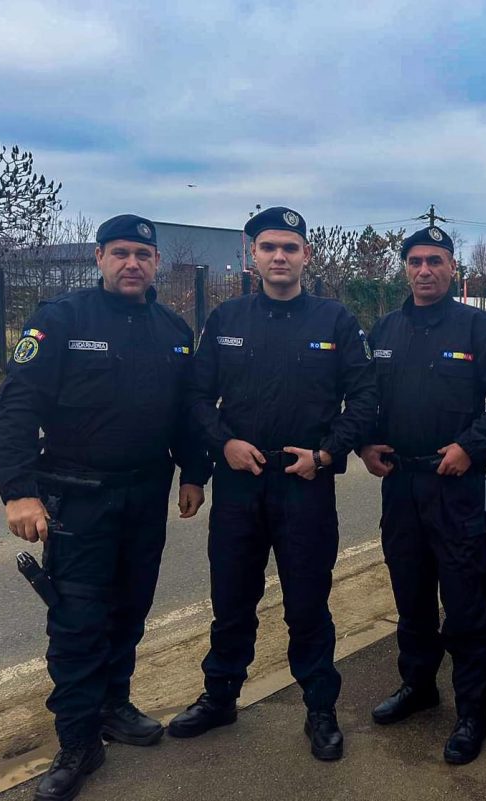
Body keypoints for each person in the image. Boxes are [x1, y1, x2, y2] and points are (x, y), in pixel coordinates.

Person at [0, 214, 210, 801]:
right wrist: (18, 490)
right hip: (78, 498)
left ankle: (114, 705)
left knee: (130, 609)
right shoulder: (61, 319)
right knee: (78, 621)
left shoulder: (173, 329)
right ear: (99, 258)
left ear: (157, 262)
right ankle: (78, 741)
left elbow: (187, 411)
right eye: (120, 253)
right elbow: (17, 406)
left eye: (142, 254)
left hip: (145, 494)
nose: (131, 263)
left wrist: (195, 472)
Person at [168, 207, 376, 761]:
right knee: (231, 599)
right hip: (240, 483)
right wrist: (223, 445)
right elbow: (195, 397)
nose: (279, 256)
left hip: (305, 483)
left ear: (307, 255)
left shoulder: (335, 320)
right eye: (268, 247)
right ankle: (220, 697)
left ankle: (320, 708)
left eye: (289, 247)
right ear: (252, 255)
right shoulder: (227, 318)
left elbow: (366, 398)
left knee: (308, 603)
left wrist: (326, 454)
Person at [361, 225, 486, 764]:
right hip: (400, 485)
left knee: (464, 604)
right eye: (415, 261)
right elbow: (364, 397)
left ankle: (472, 711)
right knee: (410, 596)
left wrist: (469, 446)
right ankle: (418, 686)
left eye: (435, 260)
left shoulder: (477, 327)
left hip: (453, 485)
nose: (425, 270)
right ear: (404, 268)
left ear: (453, 268)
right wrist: (364, 444)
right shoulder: (385, 329)